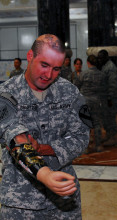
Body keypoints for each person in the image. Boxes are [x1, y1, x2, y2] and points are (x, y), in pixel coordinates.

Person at [0, 34, 91, 219]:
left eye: (56, 68)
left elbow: (82, 136)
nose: (49, 75)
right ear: (30, 56)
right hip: (20, 202)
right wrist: (44, 173)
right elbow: (16, 137)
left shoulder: (70, 92)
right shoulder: (6, 94)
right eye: (44, 65)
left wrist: (45, 149)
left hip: (63, 199)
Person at [75, 55, 106, 153]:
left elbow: (76, 87)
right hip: (97, 101)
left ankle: (86, 148)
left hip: (85, 102)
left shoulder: (83, 74)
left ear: (88, 62)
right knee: (97, 123)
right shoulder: (102, 75)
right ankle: (98, 145)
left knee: (85, 124)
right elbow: (104, 89)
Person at [97, 50, 117, 147]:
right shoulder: (105, 66)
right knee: (105, 117)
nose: (99, 59)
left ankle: (113, 138)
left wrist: (110, 98)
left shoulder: (110, 68)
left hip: (110, 99)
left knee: (110, 117)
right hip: (105, 98)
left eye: (101, 57)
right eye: (98, 57)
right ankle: (108, 135)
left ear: (106, 57)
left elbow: (113, 85)